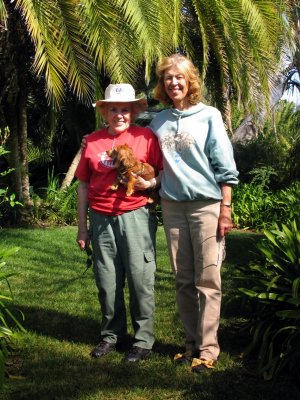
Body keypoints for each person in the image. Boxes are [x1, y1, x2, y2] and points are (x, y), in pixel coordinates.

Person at [149, 54, 239, 373]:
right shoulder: (157, 121)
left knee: (208, 279)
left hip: (206, 206)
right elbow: (155, 163)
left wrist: (225, 208)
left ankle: (209, 349)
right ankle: (190, 344)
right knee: (183, 279)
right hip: (172, 208)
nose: (173, 82)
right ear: (162, 84)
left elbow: (225, 167)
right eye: (168, 78)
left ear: (190, 81)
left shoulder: (209, 116)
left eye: (179, 77)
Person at [75, 83, 163, 363]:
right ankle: (111, 335)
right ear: (105, 111)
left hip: (135, 215)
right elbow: (83, 186)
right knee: (107, 281)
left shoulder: (146, 137)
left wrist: (149, 184)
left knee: (140, 278)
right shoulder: (92, 141)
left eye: (125, 109)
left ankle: (143, 340)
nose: (119, 115)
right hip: (100, 218)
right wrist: (82, 226)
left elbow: (163, 174)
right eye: (114, 109)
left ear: (133, 112)